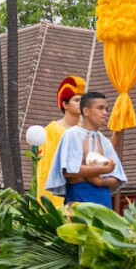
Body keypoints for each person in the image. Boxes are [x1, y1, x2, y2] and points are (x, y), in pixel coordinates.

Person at [45, 90, 127, 208]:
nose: (105, 113)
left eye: (106, 109)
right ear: (86, 111)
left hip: (103, 198)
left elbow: (117, 177)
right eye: (100, 108)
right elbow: (69, 170)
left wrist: (99, 182)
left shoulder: (104, 141)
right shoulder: (72, 134)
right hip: (78, 196)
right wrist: (104, 170)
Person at [36, 76, 86, 205]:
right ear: (65, 104)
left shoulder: (84, 131)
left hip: (79, 193)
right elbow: (45, 170)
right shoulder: (51, 131)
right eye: (77, 100)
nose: (81, 103)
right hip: (58, 197)